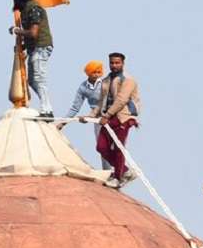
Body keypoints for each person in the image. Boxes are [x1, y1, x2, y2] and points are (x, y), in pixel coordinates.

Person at [89, 53, 141, 187]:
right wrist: (92, 115)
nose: (114, 65)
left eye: (117, 63)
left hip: (123, 117)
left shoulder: (128, 80)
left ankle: (118, 177)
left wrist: (106, 116)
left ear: (123, 63)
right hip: (109, 118)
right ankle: (125, 171)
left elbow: (121, 100)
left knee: (119, 148)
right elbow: (102, 101)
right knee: (101, 147)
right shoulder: (106, 80)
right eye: (112, 63)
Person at [9, 0, 54, 118]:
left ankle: (47, 110)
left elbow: (33, 33)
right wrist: (21, 46)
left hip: (41, 47)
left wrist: (17, 31)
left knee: (39, 78)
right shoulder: (25, 9)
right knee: (32, 81)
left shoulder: (34, 8)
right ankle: (46, 106)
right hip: (34, 48)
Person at [58, 61, 106, 160]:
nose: (97, 75)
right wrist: (63, 123)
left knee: (113, 146)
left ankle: (119, 171)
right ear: (88, 73)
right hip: (96, 120)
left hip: (109, 116)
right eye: (94, 72)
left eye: (99, 72)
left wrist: (88, 117)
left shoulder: (105, 83)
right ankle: (108, 172)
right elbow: (75, 108)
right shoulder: (83, 87)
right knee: (101, 148)